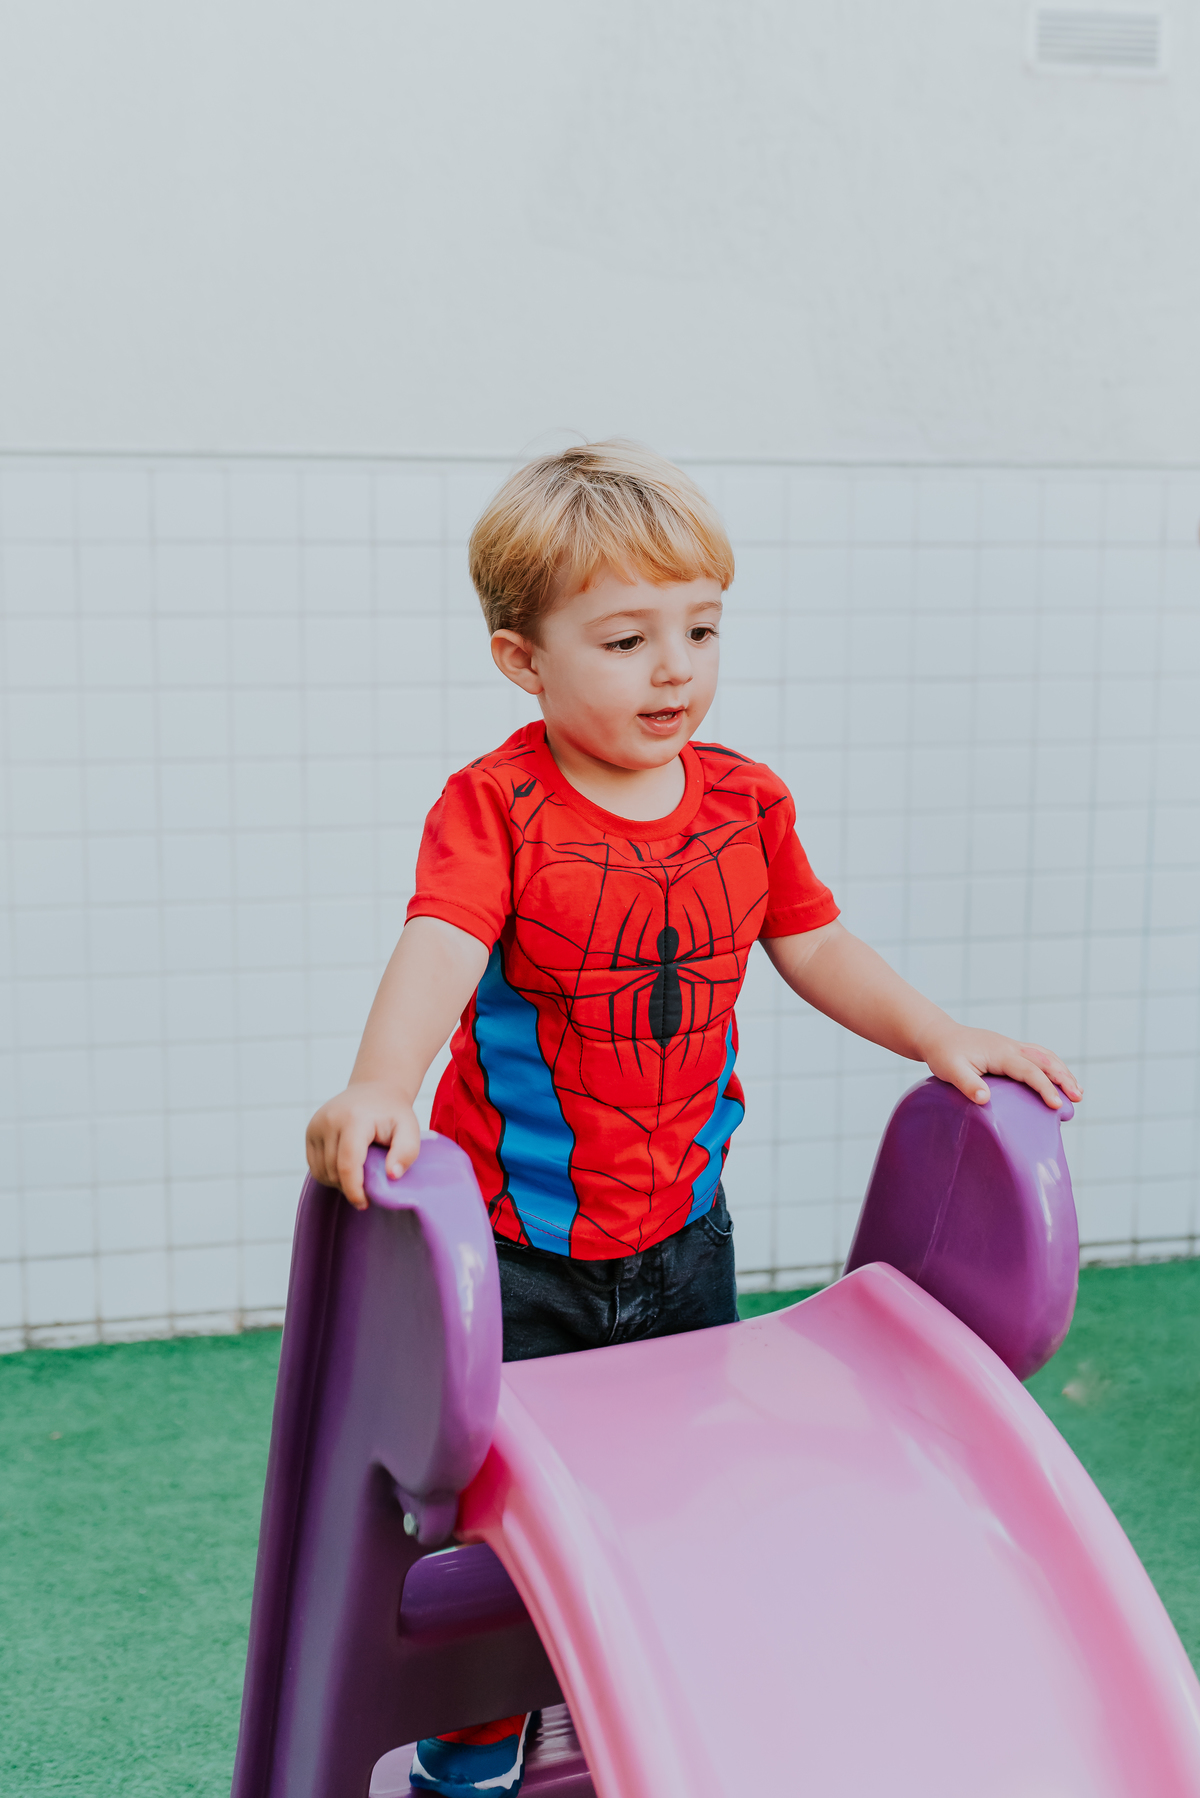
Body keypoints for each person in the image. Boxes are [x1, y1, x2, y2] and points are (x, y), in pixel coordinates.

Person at [305, 440, 1082, 1797]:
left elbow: (818, 942)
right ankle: (474, 1748)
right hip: (515, 1256)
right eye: (624, 637)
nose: (675, 668)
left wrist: (938, 1030)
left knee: (671, 1501)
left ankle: (633, 1725)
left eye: (700, 628)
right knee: (493, 1534)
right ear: (521, 659)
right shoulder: (494, 809)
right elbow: (438, 941)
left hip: (681, 1241)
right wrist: (380, 1080)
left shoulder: (744, 802)